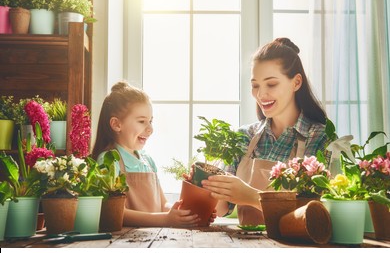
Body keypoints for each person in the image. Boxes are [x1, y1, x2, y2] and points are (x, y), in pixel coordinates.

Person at [199, 38, 329, 225]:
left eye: (271, 84)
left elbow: (318, 213)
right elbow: (220, 208)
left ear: (296, 82)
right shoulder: (245, 136)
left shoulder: (319, 138)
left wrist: (251, 196)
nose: (261, 94)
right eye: (255, 85)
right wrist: (206, 182)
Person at [92, 81, 205, 227]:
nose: (150, 128)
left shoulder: (148, 160)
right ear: (116, 124)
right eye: (141, 121)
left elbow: (163, 204)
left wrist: (188, 214)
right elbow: (114, 213)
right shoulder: (108, 160)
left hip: (154, 239)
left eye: (151, 121)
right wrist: (165, 219)